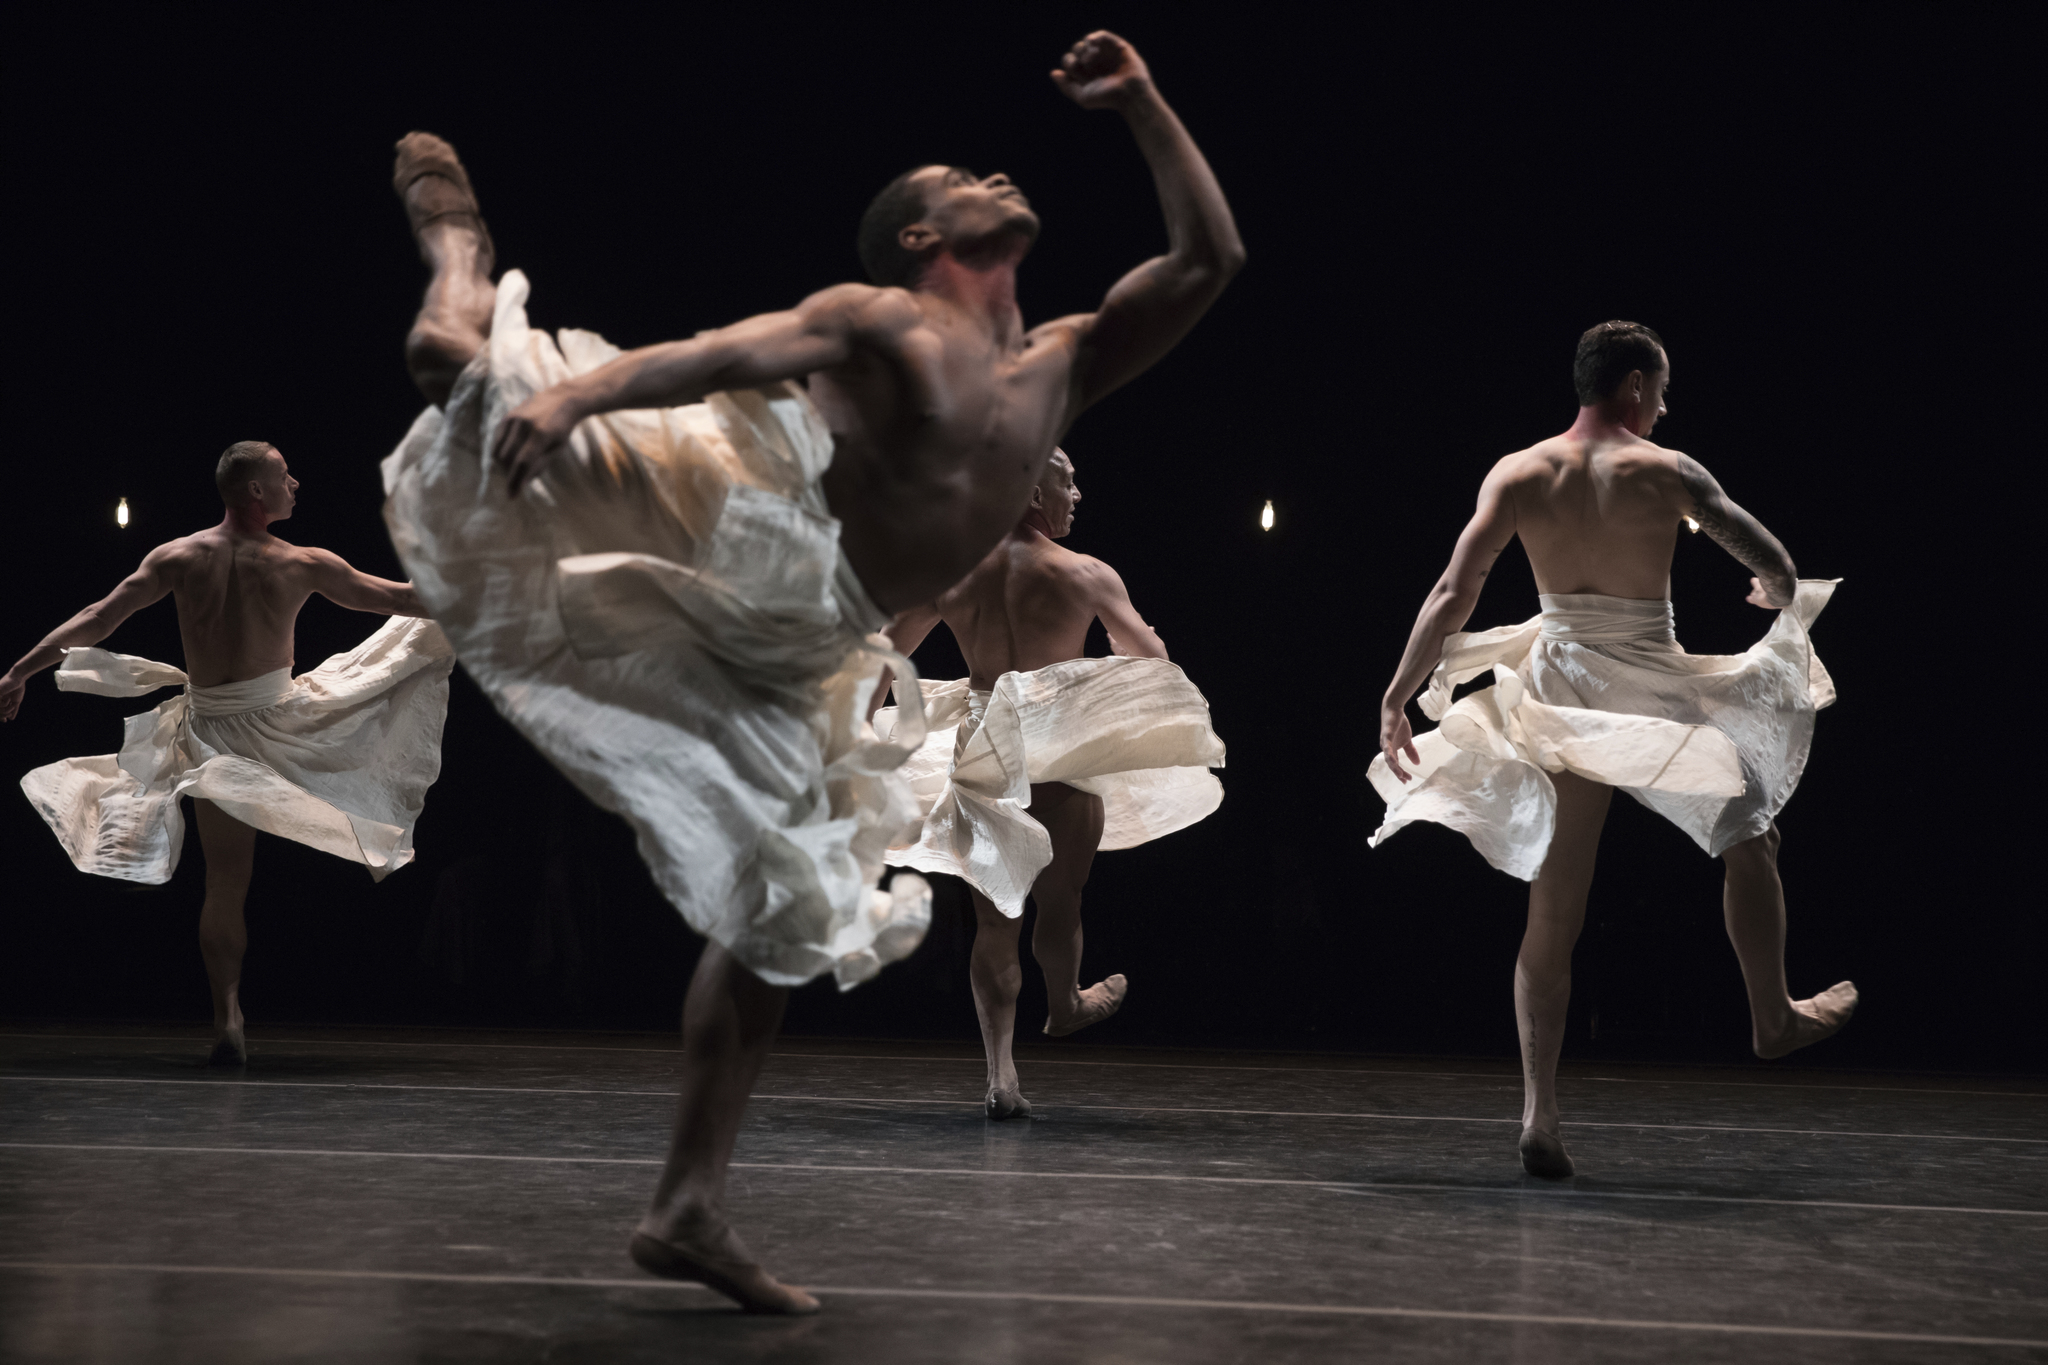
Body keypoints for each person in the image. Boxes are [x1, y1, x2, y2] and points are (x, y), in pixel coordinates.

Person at [383, 29, 1241, 1313]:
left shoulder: (1060, 363)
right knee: (463, 371)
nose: (993, 172)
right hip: (730, 520)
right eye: (961, 177)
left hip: (820, 639)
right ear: (917, 237)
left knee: (780, 909)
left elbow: (1207, 260)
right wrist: (580, 400)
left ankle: (683, 1207)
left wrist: (1143, 103)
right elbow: (728, 352)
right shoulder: (880, 321)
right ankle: (457, 252)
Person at [1370, 321, 1855, 1180]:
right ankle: (1773, 1015)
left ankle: (1539, 1114)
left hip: (1559, 694)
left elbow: (1455, 589)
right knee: (1752, 837)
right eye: (1661, 392)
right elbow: (1772, 556)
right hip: (1651, 694)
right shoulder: (1668, 471)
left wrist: (1398, 690)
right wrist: (1773, 590)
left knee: (1553, 917)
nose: (1665, 408)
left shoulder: (1519, 473)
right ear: (1633, 386)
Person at [4, 441, 451, 1065]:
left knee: (226, 882)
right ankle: (231, 1019)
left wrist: (18, 673)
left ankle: (228, 1017)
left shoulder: (181, 557)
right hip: (269, 728)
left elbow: (98, 616)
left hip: (214, 731)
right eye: (283, 475)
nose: (296, 482)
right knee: (247, 864)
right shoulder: (301, 562)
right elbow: (403, 599)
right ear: (255, 493)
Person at [872, 448, 1225, 1119]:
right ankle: (1063, 1003)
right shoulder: (1085, 573)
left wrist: (855, 734)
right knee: (1060, 899)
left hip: (985, 750)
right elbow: (1154, 663)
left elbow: (884, 655)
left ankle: (1002, 1076)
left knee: (996, 918)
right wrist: (1130, 654)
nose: (1078, 493)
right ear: (1035, 491)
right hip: (1059, 743)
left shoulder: (951, 571)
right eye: (1069, 481)